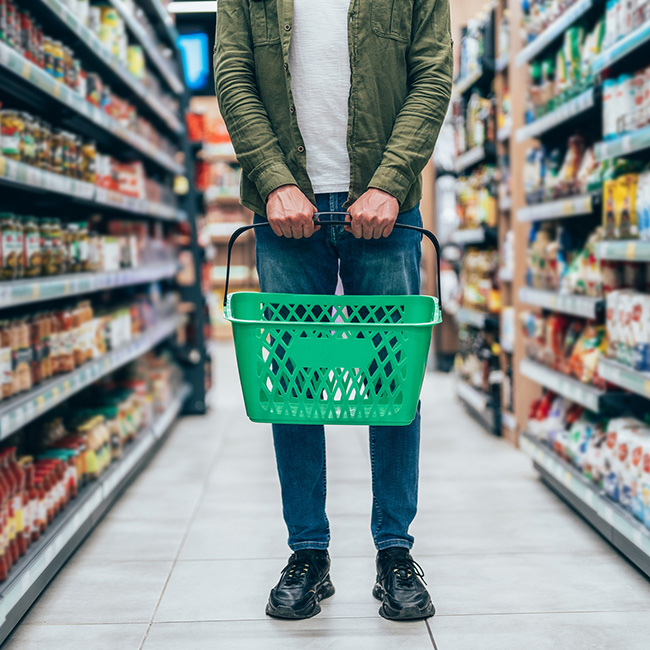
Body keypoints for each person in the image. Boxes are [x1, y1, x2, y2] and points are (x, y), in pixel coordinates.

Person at [215, 0, 452, 621]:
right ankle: (308, 554)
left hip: (386, 207)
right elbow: (233, 76)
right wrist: (273, 179)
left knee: (392, 383)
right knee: (293, 387)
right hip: (283, 211)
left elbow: (431, 75)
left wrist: (390, 181)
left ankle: (395, 552)